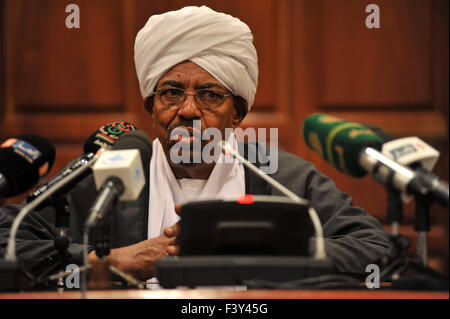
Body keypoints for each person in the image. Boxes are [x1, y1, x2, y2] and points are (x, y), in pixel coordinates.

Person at [0, 6, 393, 284]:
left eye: (209, 95)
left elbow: (374, 247)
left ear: (237, 113)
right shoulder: (110, 175)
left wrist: (267, 254)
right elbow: (9, 237)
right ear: (151, 106)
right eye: (171, 93)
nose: (188, 110)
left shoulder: (280, 174)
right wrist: (107, 260)